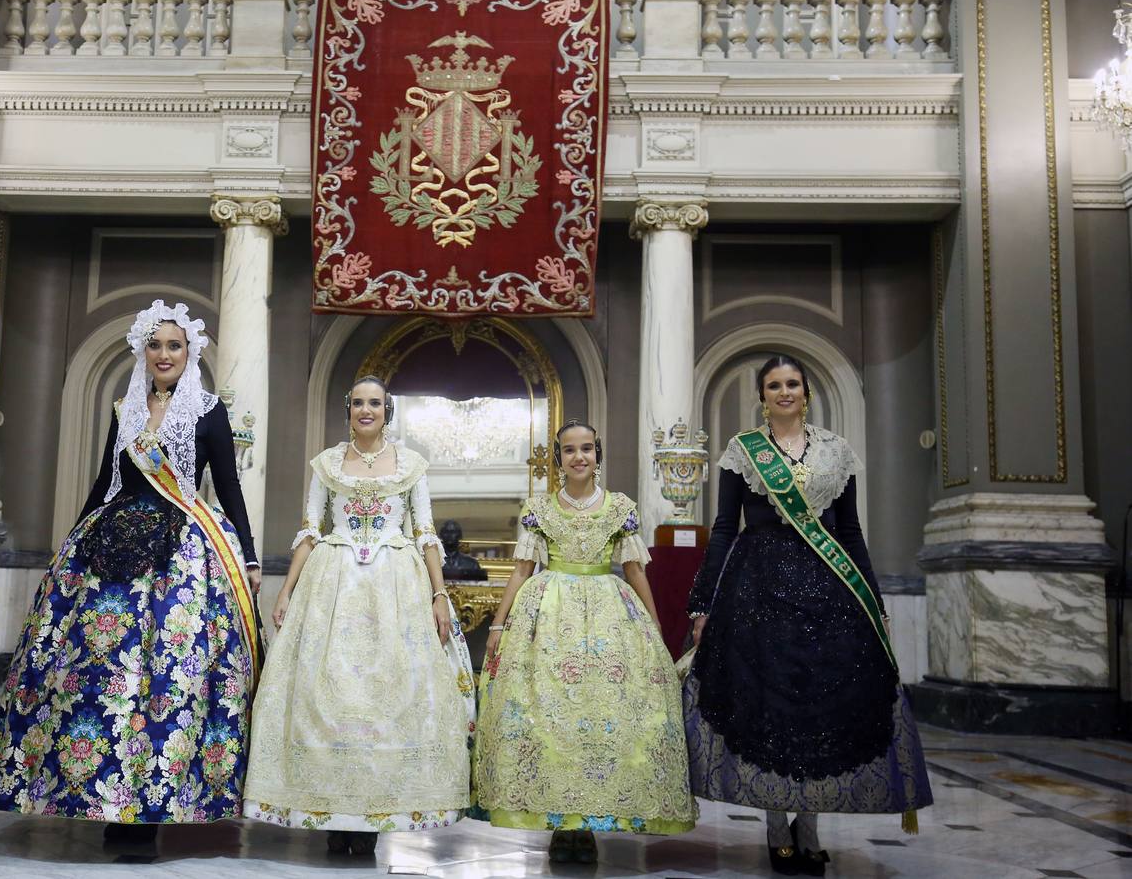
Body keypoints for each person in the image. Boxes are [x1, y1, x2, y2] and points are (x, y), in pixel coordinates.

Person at [0, 300, 264, 840]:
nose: (163, 354)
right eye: (154, 345)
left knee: (166, 677)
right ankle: (95, 795)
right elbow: (102, 483)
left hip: (183, 556)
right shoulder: (123, 410)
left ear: (190, 352)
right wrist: (71, 548)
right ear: (142, 351)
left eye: (174, 345)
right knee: (95, 676)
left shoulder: (209, 413)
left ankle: (151, 810)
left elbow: (229, 490)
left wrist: (247, 558)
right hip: (110, 548)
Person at [684, 354, 932, 877]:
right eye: (774, 385)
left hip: (828, 592)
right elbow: (725, 528)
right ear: (762, 395)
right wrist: (703, 603)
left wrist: (875, 604)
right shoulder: (742, 452)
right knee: (769, 713)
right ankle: (778, 827)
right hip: (758, 594)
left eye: (793, 383)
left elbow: (850, 532)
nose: (784, 392)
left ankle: (811, 827)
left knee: (822, 711)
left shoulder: (836, 451)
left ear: (807, 390)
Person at [243, 375, 475, 855]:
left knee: (388, 699)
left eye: (374, 403)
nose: (365, 410)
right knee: (328, 695)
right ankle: (333, 813)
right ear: (347, 409)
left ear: (386, 410)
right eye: (357, 404)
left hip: (397, 584)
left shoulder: (411, 464)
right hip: (333, 582)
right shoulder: (327, 463)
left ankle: (372, 818)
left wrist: (438, 595)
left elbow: (426, 531)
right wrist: (285, 590)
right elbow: (309, 529)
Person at [473, 420, 697, 864]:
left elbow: (634, 570)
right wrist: (498, 627)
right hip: (548, 618)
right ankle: (560, 823)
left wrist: (652, 627)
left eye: (588, 449)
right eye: (570, 450)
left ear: (598, 455)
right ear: (559, 459)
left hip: (609, 614)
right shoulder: (540, 508)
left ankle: (591, 823)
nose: (579, 457)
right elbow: (521, 570)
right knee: (551, 718)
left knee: (601, 717)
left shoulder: (620, 508)